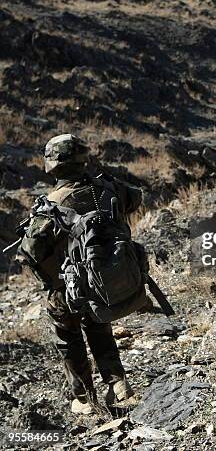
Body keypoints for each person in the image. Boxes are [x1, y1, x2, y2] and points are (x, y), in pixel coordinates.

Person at [18, 134, 143, 415]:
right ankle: (117, 384)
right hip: (102, 281)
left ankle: (85, 398)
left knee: (67, 332)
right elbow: (135, 198)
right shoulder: (109, 186)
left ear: (52, 164)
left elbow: (29, 253)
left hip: (69, 287)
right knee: (98, 325)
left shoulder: (51, 205)